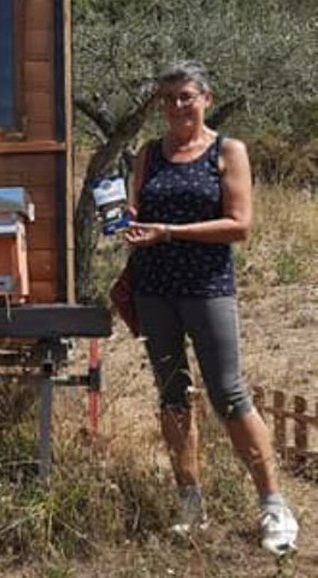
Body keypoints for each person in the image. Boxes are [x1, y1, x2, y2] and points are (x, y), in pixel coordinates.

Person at [124, 60, 299, 556]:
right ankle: (189, 502)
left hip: (207, 287)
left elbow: (240, 225)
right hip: (153, 287)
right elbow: (139, 211)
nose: (177, 106)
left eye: (186, 96)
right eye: (168, 98)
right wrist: (127, 220)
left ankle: (273, 505)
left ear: (207, 98)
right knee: (172, 394)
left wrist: (170, 232)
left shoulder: (228, 150)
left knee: (228, 393)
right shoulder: (148, 154)